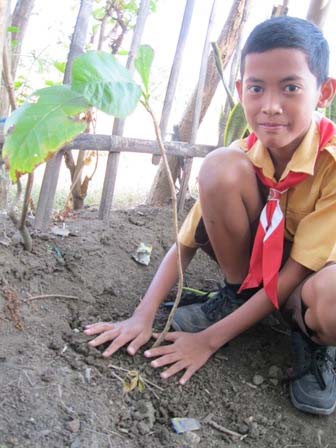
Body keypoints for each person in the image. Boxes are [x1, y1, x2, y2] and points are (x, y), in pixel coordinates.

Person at [85, 16, 336, 416]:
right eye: (256, 88)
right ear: (241, 91)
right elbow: (185, 242)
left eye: (290, 87)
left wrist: (208, 341)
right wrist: (142, 316)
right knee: (218, 166)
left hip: (304, 284)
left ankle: (313, 340)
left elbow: (293, 273)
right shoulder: (244, 152)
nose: (270, 105)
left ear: (323, 92)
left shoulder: (332, 163)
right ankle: (235, 296)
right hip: (256, 274)